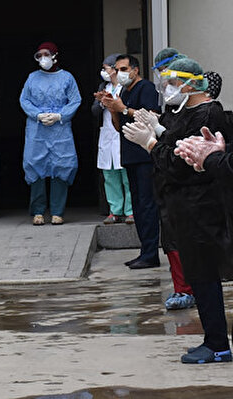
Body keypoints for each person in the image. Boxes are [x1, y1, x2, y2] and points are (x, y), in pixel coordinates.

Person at [123, 57, 233, 364]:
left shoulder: (208, 113)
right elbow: (177, 141)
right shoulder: (190, 111)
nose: (168, 89)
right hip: (187, 209)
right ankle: (214, 341)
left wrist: (150, 144)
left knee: (204, 276)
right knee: (198, 275)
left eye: (172, 83)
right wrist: (158, 129)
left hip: (202, 209)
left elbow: (181, 165)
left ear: (189, 82)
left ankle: (217, 344)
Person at [141, 48, 195, 310]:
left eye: (172, 82)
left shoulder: (198, 113)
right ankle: (182, 287)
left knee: (186, 239)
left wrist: (156, 136)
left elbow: (178, 147)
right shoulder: (173, 110)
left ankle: (188, 288)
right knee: (172, 239)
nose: (166, 87)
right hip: (167, 184)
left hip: (185, 187)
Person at [101, 54, 160, 269]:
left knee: (147, 204)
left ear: (135, 70)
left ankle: (151, 252)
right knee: (137, 204)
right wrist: (112, 108)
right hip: (129, 154)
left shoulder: (146, 88)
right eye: (117, 70)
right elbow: (119, 126)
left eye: (124, 69)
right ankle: (145, 251)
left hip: (145, 154)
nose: (120, 73)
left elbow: (150, 117)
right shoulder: (124, 91)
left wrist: (123, 109)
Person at [19, 42, 81, 225]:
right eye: (39, 55)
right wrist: (37, 115)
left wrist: (60, 116)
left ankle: (57, 211)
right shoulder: (32, 78)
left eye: (46, 54)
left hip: (60, 129)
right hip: (37, 128)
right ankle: (38, 211)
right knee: (34, 165)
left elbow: (75, 100)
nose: (43, 58)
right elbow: (24, 100)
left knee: (62, 166)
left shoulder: (67, 78)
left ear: (55, 56)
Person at [92, 53, 133, 225]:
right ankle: (114, 210)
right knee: (110, 175)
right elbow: (94, 111)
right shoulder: (104, 86)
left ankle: (131, 211)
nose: (104, 71)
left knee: (126, 175)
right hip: (107, 135)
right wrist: (102, 102)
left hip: (123, 134)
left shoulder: (126, 88)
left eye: (106, 68)